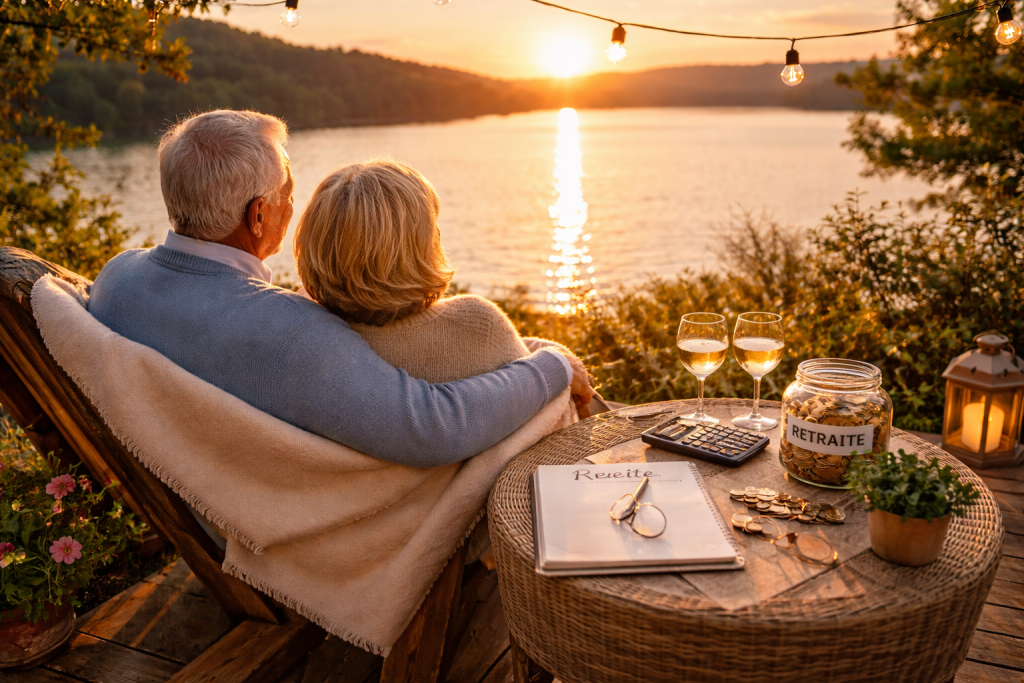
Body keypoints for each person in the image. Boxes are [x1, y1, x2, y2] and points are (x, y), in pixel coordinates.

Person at [87, 110, 594, 469]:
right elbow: (432, 426)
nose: (293, 204)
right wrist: (551, 365)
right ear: (258, 215)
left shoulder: (116, 280)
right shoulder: (290, 332)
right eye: (288, 192)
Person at [292, 159, 587, 433]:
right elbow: (554, 411)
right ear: (422, 244)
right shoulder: (476, 325)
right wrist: (557, 360)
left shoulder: (302, 323)